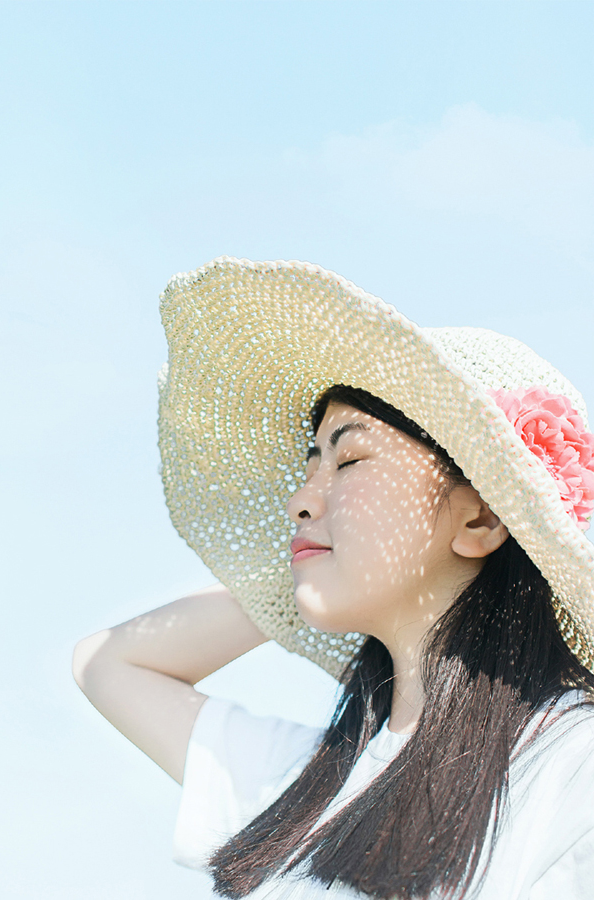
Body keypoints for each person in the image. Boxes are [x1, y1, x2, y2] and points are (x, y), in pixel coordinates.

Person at [73, 257, 594, 900]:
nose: (299, 498)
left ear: (481, 517)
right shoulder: (308, 781)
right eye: (310, 462)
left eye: (347, 459)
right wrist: (296, 571)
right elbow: (106, 662)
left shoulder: (570, 768)